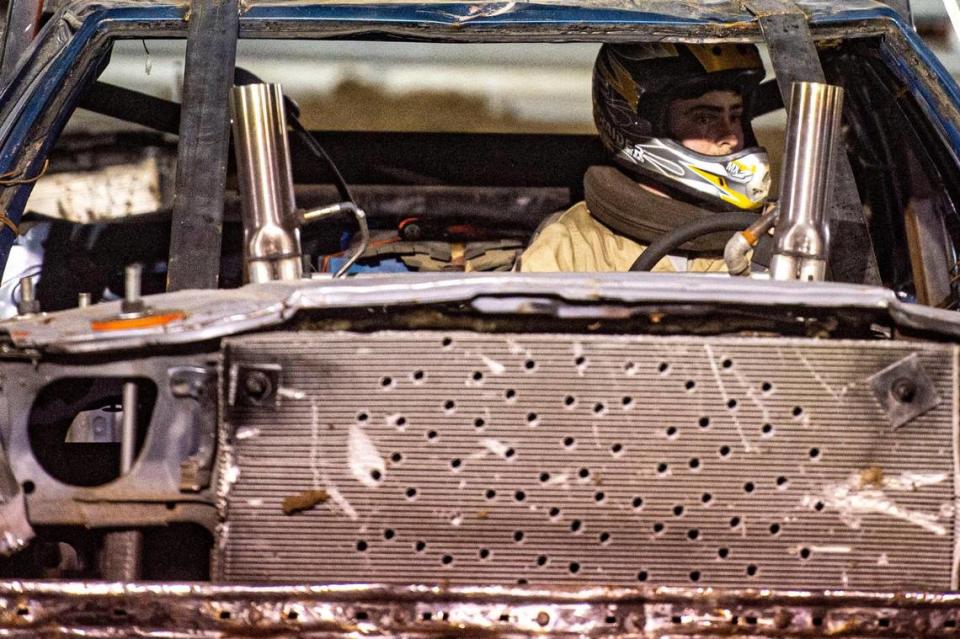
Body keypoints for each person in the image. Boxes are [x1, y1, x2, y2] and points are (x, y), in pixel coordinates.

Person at [519, 43, 772, 273]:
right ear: (643, 126)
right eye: (704, 118)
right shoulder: (571, 247)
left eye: (735, 117)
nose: (731, 138)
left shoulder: (777, 233)